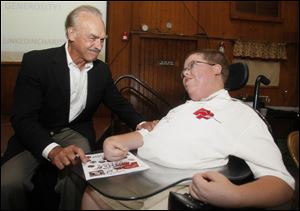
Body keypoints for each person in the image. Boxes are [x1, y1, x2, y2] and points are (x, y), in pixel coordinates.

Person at [81, 49, 295, 210]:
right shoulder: (181, 109)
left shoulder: (240, 114)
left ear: (216, 69)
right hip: (140, 176)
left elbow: (283, 184)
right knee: (91, 196)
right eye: (183, 70)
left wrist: (235, 195)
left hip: (178, 190)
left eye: (191, 65)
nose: (184, 73)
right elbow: (151, 134)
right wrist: (118, 140)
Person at [1, 5, 156, 210]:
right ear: (71, 33)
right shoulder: (37, 62)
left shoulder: (101, 70)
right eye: (92, 38)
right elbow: (23, 117)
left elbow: (117, 102)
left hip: (74, 133)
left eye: (102, 39)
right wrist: (53, 150)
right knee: (8, 183)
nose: (98, 45)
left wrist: (141, 123)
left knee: (76, 180)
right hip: (35, 131)